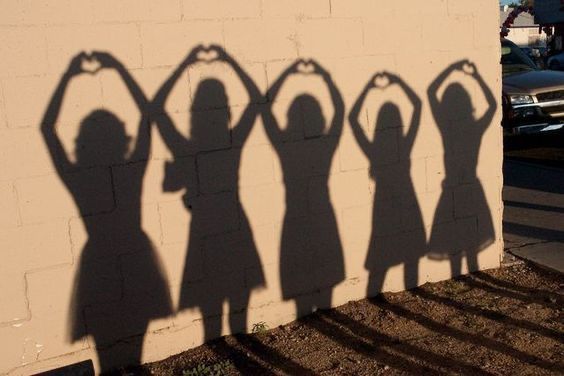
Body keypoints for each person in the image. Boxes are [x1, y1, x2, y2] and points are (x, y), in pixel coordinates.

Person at [41, 52, 171, 371]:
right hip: (137, 254)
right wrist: (120, 71)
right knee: (134, 347)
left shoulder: (79, 180)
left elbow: (48, 128)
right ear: (120, 137)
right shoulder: (132, 170)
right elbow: (148, 114)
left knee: (107, 351)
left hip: (98, 260)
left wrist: (69, 76)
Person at [152, 45, 265, 341]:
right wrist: (231, 61)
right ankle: (242, 343)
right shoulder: (232, 141)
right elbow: (256, 101)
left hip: (202, 225)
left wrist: (184, 66)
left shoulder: (185, 147)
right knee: (238, 288)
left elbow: (156, 109)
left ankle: (220, 344)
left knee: (212, 290)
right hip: (233, 219)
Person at [262, 59, 345, 316]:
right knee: (327, 277)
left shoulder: (286, 148)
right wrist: (326, 78)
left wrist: (287, 74)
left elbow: (265, 111)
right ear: (319, 118)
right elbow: (340, 110)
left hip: (294, 216)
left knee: (300, 278)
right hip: (324, 214)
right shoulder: (325, 146)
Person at [349, 71, 426, 295]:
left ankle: (377, 292)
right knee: (411, 249)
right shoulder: (405, 144)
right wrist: (399, 81)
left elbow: (353, 119)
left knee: (381, 249)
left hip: (383, 201)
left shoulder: (375, 150)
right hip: (407, 196)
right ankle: (415, 289)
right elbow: (417, 105)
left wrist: (367, 89)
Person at [427, 60, 496, 277]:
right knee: (472, 234)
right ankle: (473, 271)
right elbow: (492, 105)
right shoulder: (475, 128)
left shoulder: (448, 129)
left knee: (455, 233)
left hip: (453, 187)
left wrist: (449, 68)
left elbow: (431, 92)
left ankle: (460, 272)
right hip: (472, 186)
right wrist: (475, 76)